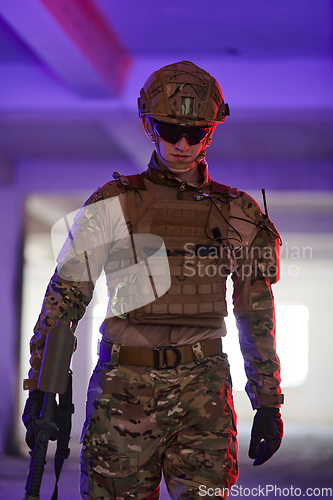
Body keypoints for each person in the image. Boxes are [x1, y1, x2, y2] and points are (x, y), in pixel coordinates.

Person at [23, 61, 284, 499]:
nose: (181, 144)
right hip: (124, 387)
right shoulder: (114, 202)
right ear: (147, 124)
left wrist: (268, 400)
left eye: (195, 133)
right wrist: (42, 387)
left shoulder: (238, 212)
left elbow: (255, 313)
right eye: (168, 129)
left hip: (204, 392)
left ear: (211, 131)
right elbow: (65, 299)